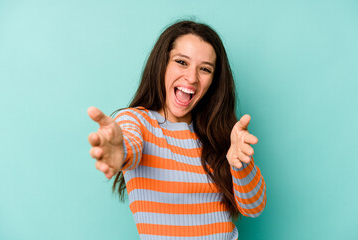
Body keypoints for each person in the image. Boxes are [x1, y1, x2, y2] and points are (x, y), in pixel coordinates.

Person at [87, 20, 266, 240]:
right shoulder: (137, 121)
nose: (192, 78)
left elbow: (254, 207)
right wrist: (119, 151)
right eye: (182, 62)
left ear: (213, 81)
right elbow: (128, 144)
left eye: (205, 69)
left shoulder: (220, 136)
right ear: (162, 65)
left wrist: (241, 164)